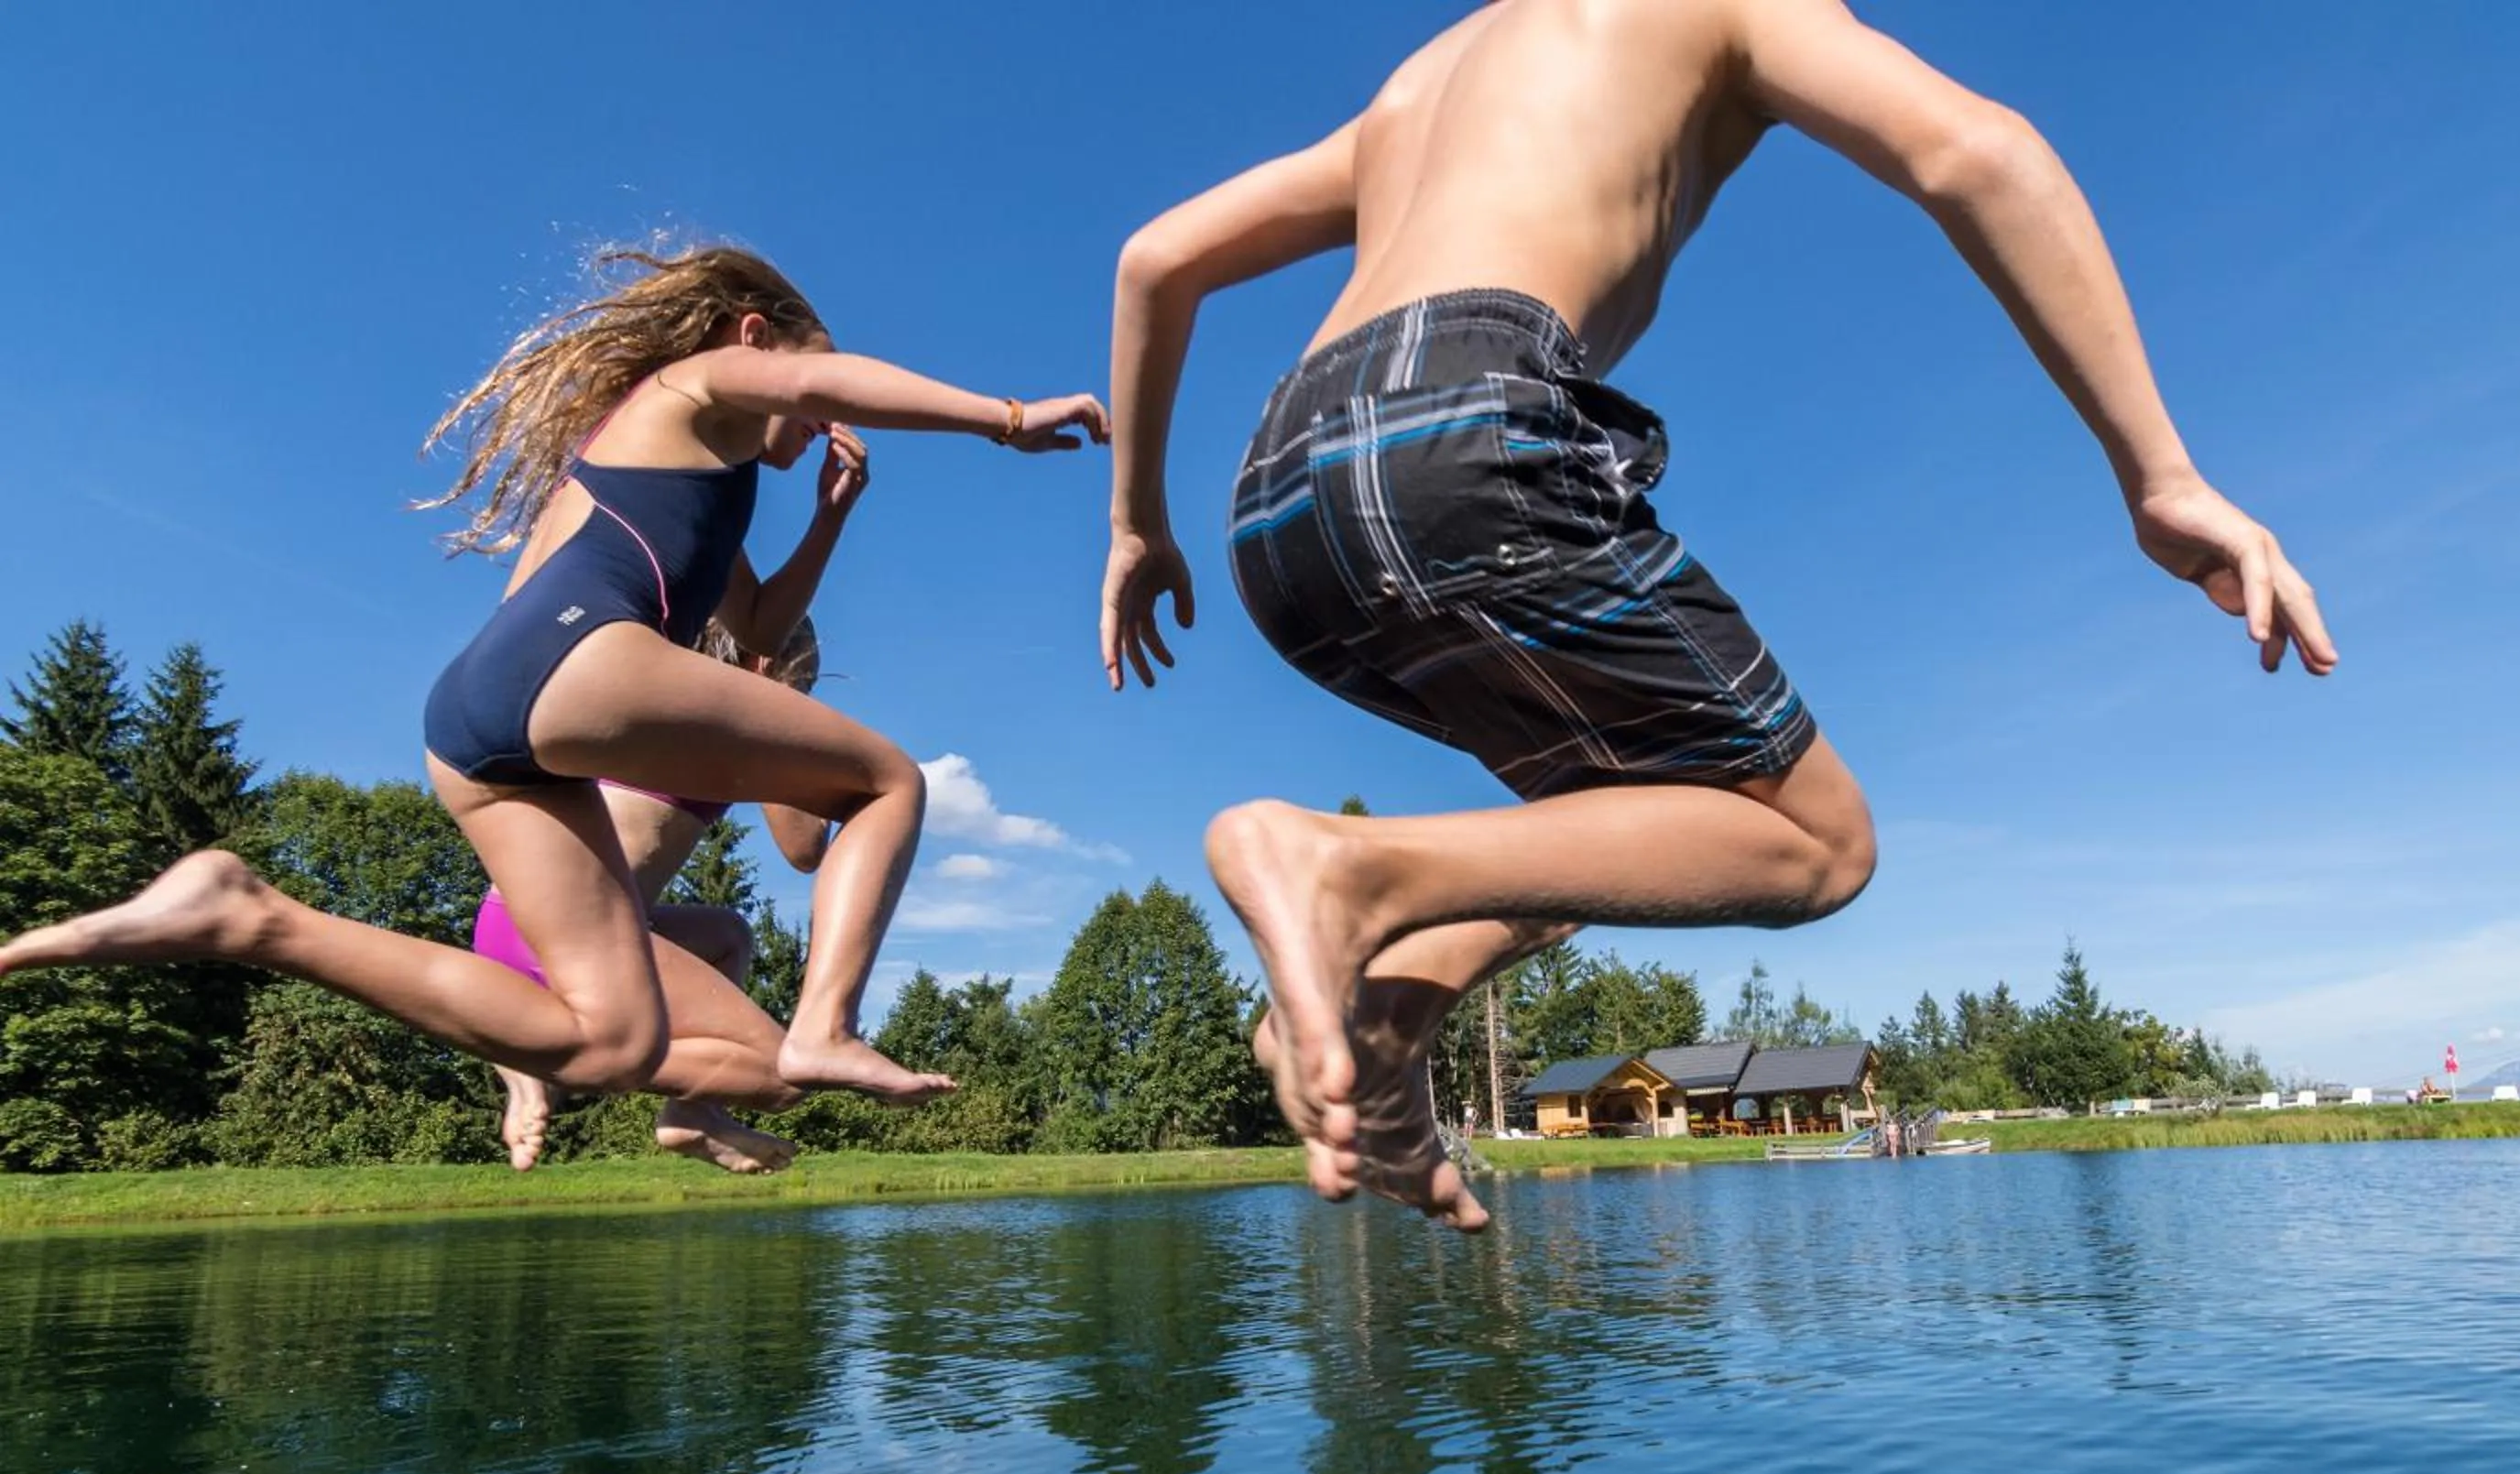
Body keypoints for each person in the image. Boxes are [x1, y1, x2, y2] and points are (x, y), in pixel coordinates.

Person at [1099, 0, 2335, 1230]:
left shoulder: (1423, 80)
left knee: (1641, 826)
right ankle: (1342, 867)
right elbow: (1978, 149)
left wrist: (1136, 526)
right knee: (1816, 843)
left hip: (1276, 500)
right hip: (1464, 422)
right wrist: (2160, 477)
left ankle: (1392, 1008)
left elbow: (1157, 258)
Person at [1, 246, 1106, 1119]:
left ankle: (250, 917)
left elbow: (763, 625)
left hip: (480, 723)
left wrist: (830, 511)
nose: (820, 420)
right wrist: (1005, 419)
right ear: (753, 333)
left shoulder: (690, 476)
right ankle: (824, 1024)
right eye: (806, 398)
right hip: (572, 657)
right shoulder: (694, 381)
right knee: (887, 783)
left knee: (611, 1043)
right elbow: (818, 375)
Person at [480, 612, 837, 1174]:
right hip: (571, 932)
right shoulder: (743, 725)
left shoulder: (645, 704)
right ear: (767, 665)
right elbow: (805, 848)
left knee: (726, 936)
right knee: (777, 1072)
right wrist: (816, 757)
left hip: (506, 919)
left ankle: (685, 1107)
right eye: (807, 680)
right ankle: (549, 1055)